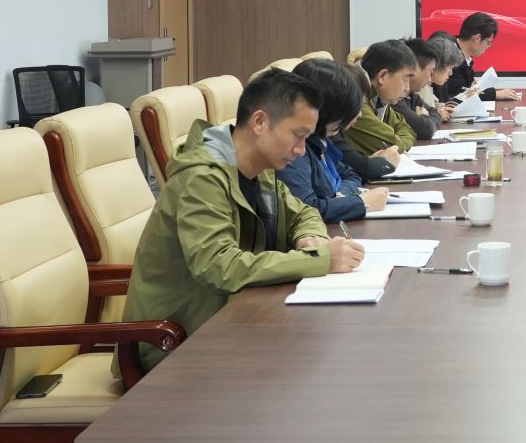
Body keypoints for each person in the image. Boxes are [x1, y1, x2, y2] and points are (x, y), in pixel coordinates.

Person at [120, 68, 365, 371]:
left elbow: (303, 212)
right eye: (298, 136)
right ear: (259, 122)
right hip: (175, 344)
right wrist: (320, 259)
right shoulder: (203, 178)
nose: (302, 151)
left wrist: (308, 236)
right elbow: (220, 266)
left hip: (232, 320)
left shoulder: (257, 167)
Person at [280, 59, 390, 223]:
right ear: (328, 109)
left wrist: (339, 197)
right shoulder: (294, 149)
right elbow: (306, 209)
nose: (358, 115)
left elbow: (351, 175)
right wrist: (360, 203)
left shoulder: (322, 140)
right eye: (348, 109)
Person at [343, 40, 419, 155]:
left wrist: (399, 142)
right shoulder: (355, 98)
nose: (407, 88)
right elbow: (393, 144)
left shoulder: (378, 97)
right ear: (382, 76)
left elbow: (407, 129)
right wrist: (399, 144)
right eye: (405, 79)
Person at [434, 12, 521, 103]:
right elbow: (454, 95)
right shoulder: (448, 55)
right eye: (488, 42)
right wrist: (494, 94)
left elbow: (469, 90)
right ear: (477, 38)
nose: (488, 47)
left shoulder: (467, 59)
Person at [392, 38, 443, 142]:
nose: (430, 80)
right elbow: (426, 129)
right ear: (415, 68)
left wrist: (426, 120)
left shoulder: (411, 95)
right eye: (430, 72)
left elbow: (435, 113)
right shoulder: (394, 98)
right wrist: (424, 116)